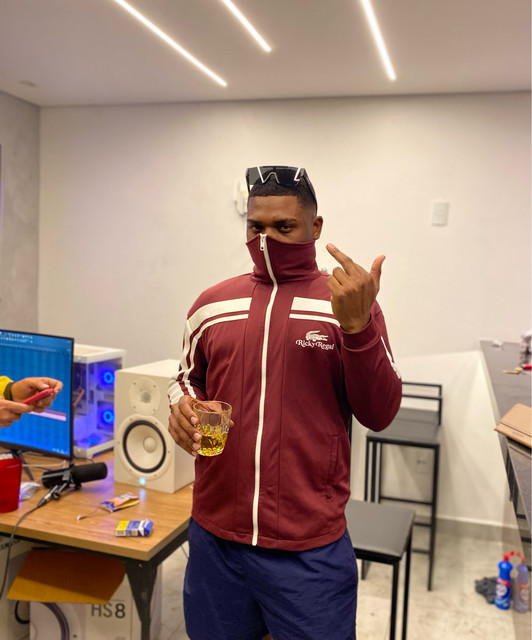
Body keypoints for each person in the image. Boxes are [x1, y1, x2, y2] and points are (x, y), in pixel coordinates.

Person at [168, 165, 402, 640]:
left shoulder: (346, 304)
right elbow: (187, 379)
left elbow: (380, 413)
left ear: (315, 228)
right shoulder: (212, 305)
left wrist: (358, 328)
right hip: (216, 540)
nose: (267, 240)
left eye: (284, 226)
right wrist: (183, 407)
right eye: (256, 227)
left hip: (308, 548)